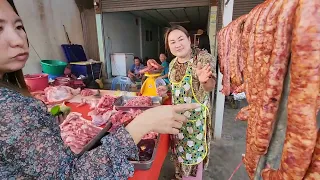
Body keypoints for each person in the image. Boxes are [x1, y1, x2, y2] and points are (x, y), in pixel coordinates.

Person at [0, 1, 200, 179]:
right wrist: (142, 123)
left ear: (190, 40)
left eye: (19, 26)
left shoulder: (197, 61)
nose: (18, 39)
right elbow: (73, 174)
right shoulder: (10, 109)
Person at [164, 25, 217, 180]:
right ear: (169, 46)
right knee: (179, 154)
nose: (177, 44)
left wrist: (204, 80)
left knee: (193, 159)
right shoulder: (173, 63)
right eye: (172, 42)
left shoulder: (203, 58)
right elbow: (175, 86)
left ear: (189, 39)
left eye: (181, 39)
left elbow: (210, 86)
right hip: (178, 121)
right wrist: (166, 90)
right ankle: (180, 176)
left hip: (196, 124)